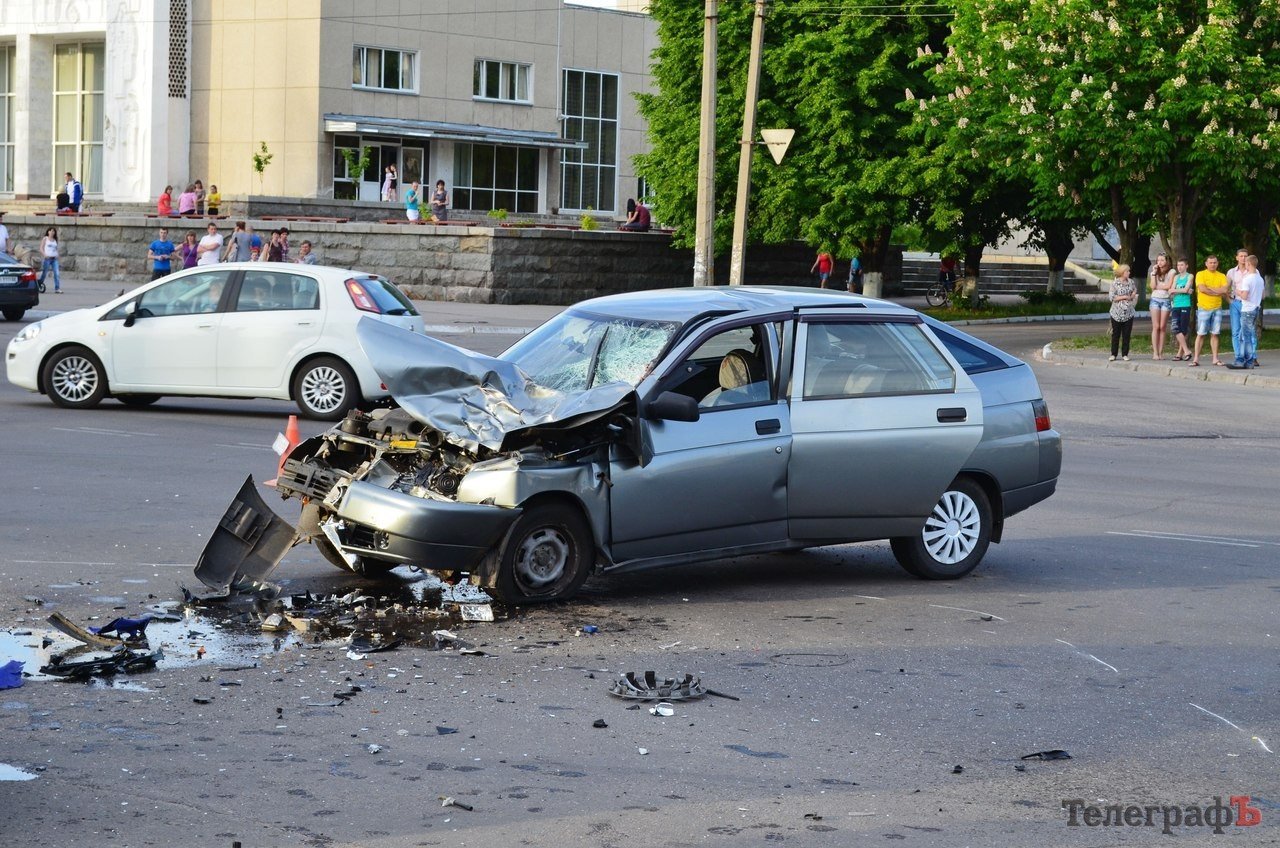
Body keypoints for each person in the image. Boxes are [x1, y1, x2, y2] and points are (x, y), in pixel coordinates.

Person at [1191, 254, 1229, 367]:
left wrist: (1211, 289)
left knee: (1215, 334)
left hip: (1217, 308)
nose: (1213, 264)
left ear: (1217, 263)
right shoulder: (1200, 274)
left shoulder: (1222, 276)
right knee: (1201, 334)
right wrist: (1218, 291)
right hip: (1204, 308)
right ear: (1206, 264)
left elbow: (1225, 290)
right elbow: (1202, 289)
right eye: (1210, 262)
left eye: (1215, 262)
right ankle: (1196, 359)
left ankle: (1215, 359)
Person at [1228, 254, 1264, 369]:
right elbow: (1262, 295)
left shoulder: (1247, 279)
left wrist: (1238, 292)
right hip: (1255, 308)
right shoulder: (1260, 278)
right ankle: (1249, 360)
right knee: (1248, 335)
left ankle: (1245, 361)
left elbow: (1244, 296)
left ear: (1248, 264)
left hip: (1247, 309)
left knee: (1244, 337)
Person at [1147, 253, 1174, 360]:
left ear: (1167, 261)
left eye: (1162, 260)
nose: (1159, 262)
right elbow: (1153, 287)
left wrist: (1161, 287)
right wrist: (1153, 274)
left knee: (1163, 327)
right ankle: (1155, 352)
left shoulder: (1171, 272)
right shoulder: (1154, 272)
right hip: (1155, 300)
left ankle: (1161, 352)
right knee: (1156, 326)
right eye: (1158, 260)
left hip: (1166, 300)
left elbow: (1169, 286)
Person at [1108, 263, 1137, 361]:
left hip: (1129, 312)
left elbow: (1134, 290)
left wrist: (1133, 294)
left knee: (1127, 334)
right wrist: (1124, 297)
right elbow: (1112, 297)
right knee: (1116, 334)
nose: (1129, 273)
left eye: (1129, 271)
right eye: (1127, 271)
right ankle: (1113, 354)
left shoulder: (1131, 282)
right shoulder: (1115, 283)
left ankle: (1125, 354)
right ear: (1122, 272)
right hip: (1116, 313)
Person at [1225, 248, 1249, 367]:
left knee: (1247, 331)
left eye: (1245, 256)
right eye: (1241, 256)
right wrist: (1230, 301)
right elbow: (1226, 288)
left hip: (1248, 304)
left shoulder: (1252, 271)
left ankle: (1250, 357)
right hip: (1236, 303)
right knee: (1235, 331)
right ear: (1237, 257)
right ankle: (1238, 357)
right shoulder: (1231, 272)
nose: (1243, 258)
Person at [1169, 258, 1194, 362]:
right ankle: (1187, 351)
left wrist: (1176, 290)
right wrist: (1183, 290)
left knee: (1183, 330)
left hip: (1185, 305)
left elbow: (1184, 289)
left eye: (1182, 265)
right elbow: (1171, 292)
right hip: (1176, 305)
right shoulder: (1176, 277)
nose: (1179, 267)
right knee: (1175, 328)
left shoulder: (1190, 276)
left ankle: (1180, 354)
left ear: (1186, 266)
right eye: (1178, 265)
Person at [38, 227, 62, 293]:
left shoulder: (55, 240)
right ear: (48, 232)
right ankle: (39, 283)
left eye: (53, 231)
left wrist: (58, 254)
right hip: (47, 259)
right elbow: (41, 248)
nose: (52, 232)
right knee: (44, 273)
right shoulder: (45, 239)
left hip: (54, 259)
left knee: (56, 273)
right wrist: (44, 255)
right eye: (51, 231)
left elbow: (56, 249)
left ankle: (57, 288)